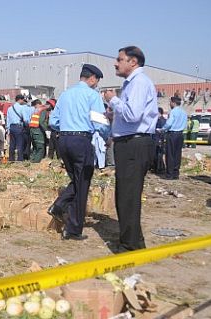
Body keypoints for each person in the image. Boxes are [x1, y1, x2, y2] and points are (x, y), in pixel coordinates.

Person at [103, 46, 158, 252]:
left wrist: (113, 100)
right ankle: (134, 240)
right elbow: (133, 116)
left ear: (133, 62)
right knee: (127, 194)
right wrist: (114, 116)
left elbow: (133, 115)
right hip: (130, 142)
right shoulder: (133, 84)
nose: (116, 63)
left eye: (120, 59)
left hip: (134, 144)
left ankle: (130, 244)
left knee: (128, 195)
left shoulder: (139, 83)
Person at [48, 64, 106, 241]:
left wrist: (67, 127)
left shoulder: (65, 94)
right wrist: (108, 136)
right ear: (92, 78)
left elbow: (53, 121)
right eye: (96, 81)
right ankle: (70, 225)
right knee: (83, 183)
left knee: (76, 180)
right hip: (81, 140)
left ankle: (63, 212)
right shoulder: (92, 95)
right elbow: (100, 123)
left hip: (63, 140)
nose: (96, 85)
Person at [161, 96, 187, 179]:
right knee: (177, 154)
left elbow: (169, 124)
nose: (170, 104)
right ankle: (176, 173)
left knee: (170, 154)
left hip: (172, 134)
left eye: (170, 102)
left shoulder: (173, 112)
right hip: (180, 134)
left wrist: (162, 129)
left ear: (173, 102)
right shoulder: (183, 112)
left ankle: (169, 174)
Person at [6, 94, 33, 161]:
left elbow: (8, 120)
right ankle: (20, 159)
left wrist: (8, 130)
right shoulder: (22, 108)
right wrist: (29, 124)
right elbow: (26, 119)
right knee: (20, 144)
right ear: (20, 100)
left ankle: (11, 159)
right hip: (19, 127)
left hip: (12, 127)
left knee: (12, 145)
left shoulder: (10, 108)